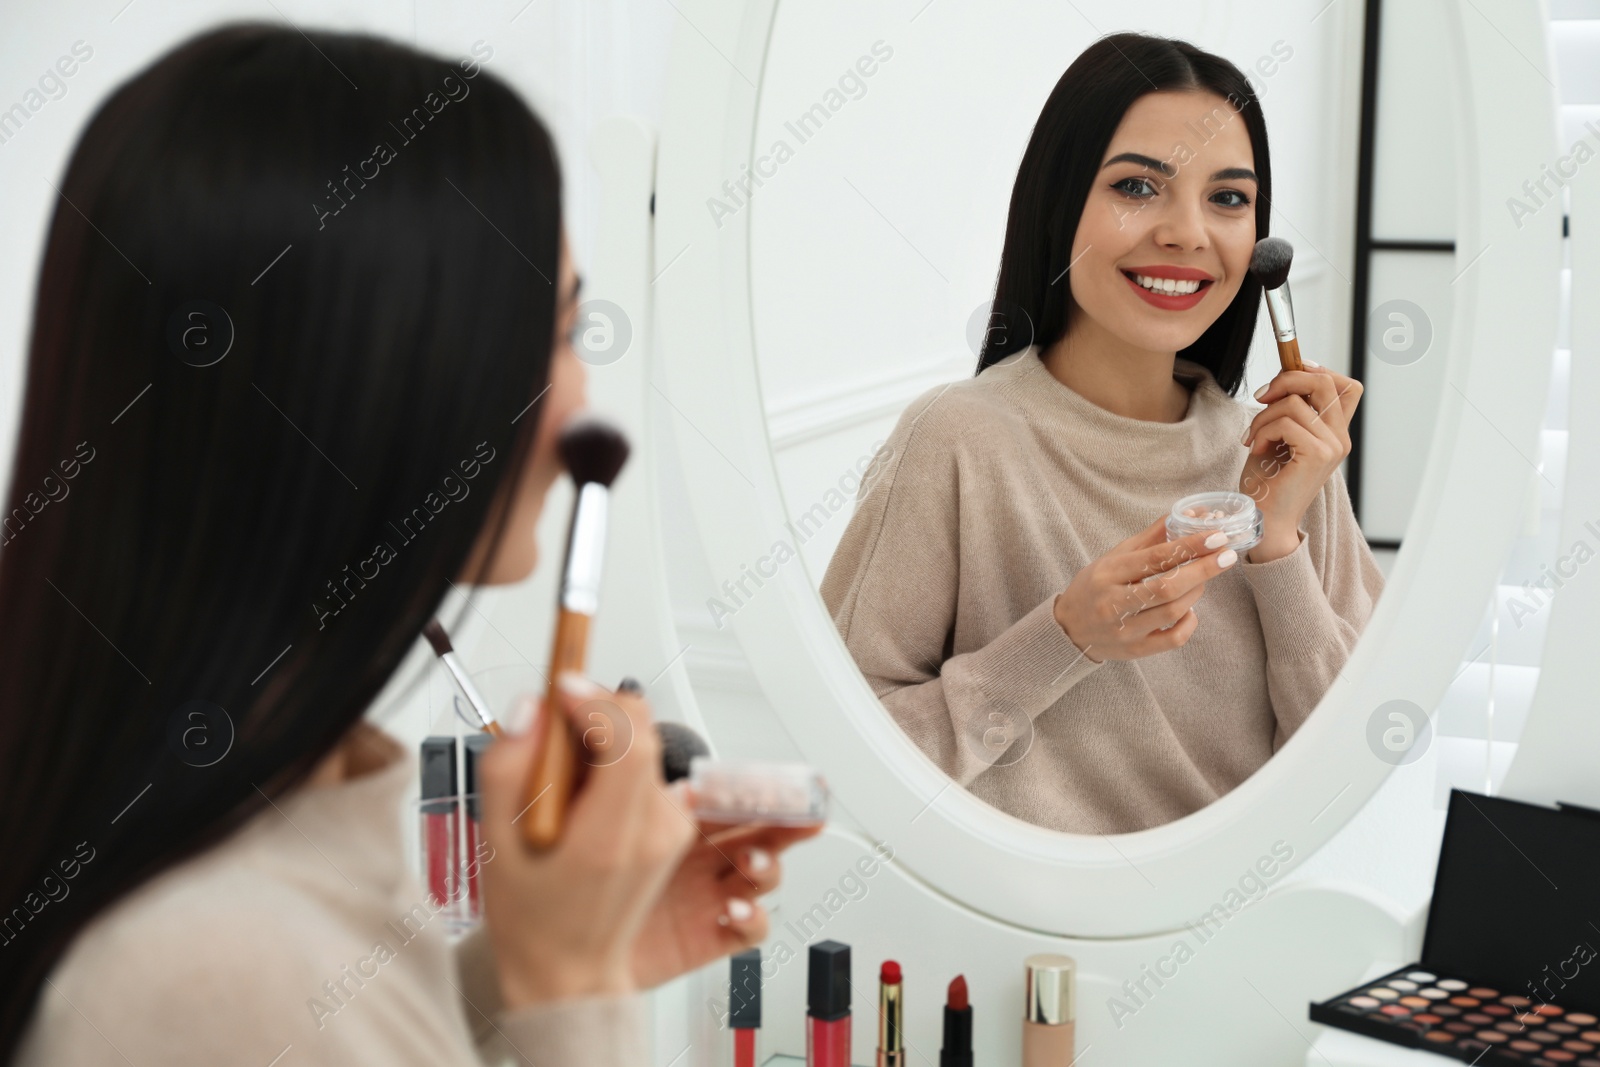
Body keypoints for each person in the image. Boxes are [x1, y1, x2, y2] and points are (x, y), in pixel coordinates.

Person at [0, 25, 815, 1065]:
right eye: (560, 336)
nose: (580, 411)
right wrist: (573, 989)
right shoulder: (207, 976)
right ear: (384, 389)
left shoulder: (247, 849)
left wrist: (517, 972)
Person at [822, 33, 1385, 836]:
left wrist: (1280, 542)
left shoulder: (1286, 457)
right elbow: (845, 763)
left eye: (1227, 198)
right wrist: (1063, 636)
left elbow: (1347, 785)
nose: (1189, 233)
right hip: (1016, 944)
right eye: (1137, 187)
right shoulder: (957, 442)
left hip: (1253, 934)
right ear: (1060, 203)